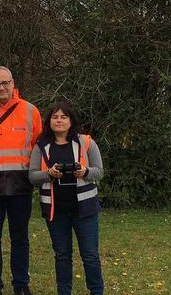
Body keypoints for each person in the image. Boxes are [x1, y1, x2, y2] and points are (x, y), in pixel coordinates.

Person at [0, 66, 42, 295]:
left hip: (20, 184)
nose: (1, 87)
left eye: (5, 83)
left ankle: (21, 284)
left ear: (13, 83)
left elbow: (39, 148)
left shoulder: (31, 111)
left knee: (20, 237)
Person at [28, 102, 105, 295]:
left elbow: (100, 172)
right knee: (62, 255)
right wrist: (49, 174)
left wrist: (85, 171)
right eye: (55, 117)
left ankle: (96, 291)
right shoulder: (42, 146)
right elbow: (32, 176)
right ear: (49, 121)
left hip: (85, 210)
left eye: (63, 117)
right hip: (56, 211)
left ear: (71, 121)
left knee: (90, 255)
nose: (59, 120)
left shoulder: (86, 142)